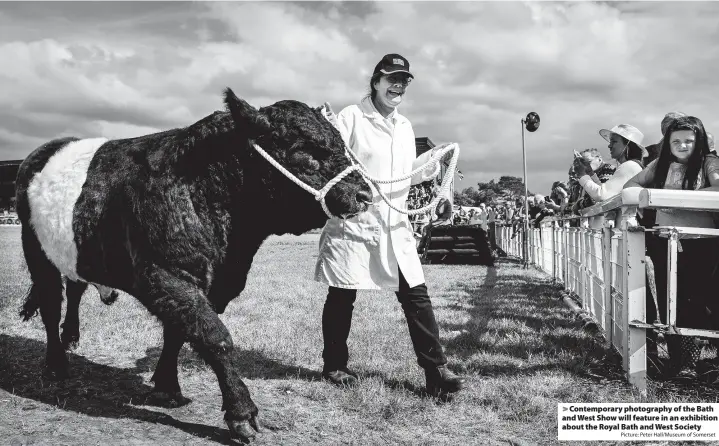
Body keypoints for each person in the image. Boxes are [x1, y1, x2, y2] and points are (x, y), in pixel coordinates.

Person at [315, 53, 466, 397]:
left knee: (416, 296)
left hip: (395, 225)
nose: (397, 85)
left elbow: (404, 172)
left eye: (403, 80)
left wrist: (436, 165)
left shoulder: (405, 125)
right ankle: (335, 365)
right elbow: (332, 160)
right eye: (391, 78)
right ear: (376, 81)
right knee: (342, 294)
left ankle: (436, 371)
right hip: (356, 222)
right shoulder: (352, 116)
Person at [624, 116, 719, 377]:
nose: (683, 145)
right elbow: (631, 186)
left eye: (689, 140)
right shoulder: (659, 165)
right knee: (669, 299)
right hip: (665, 241)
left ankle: (690, 362)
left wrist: (677, 199)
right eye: (676, 141)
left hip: (702, 243)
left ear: (699, 140)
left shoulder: (709, 162)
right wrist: (649, 200)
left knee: (696, 301)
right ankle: (677, 361)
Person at [572, 124, 646, 204]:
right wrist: (590, 172)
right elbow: (606, 191)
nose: (609, 145)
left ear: (628, 145)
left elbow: (602, 196)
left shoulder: (629, 166)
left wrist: (582, 175)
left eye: (614, 141)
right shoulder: (631, 166)